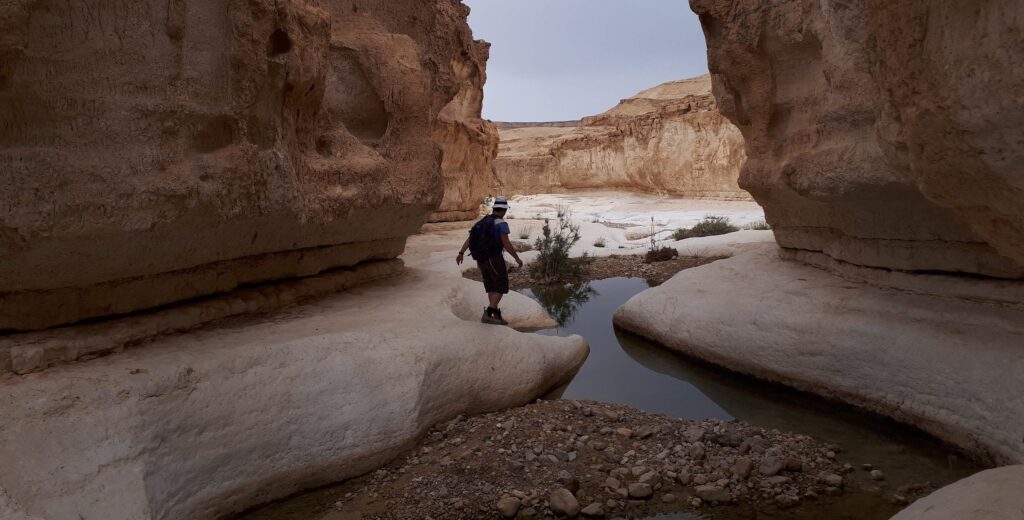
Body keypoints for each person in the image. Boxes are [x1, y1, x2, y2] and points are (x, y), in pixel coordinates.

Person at [456, 196, 523, 325]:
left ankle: (495, 314)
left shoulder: (482, 221)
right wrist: (517, 258)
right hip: (494, 258)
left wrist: (461, 252)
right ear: (503, 210)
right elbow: (506, 244)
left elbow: (470, 239)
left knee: (491, 284)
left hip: (481, 259)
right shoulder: (501, 223)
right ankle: (489, 313)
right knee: (501, 284)